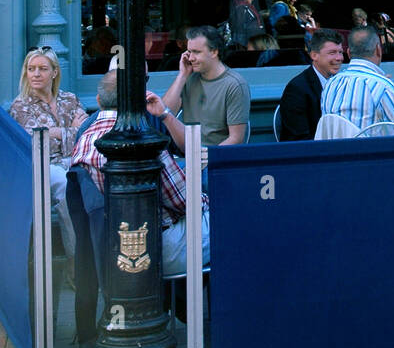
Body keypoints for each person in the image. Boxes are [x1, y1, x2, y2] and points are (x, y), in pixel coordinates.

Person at [71, 72, 210, 276]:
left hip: (111, 249)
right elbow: (185, 202)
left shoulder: (82, 142)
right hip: (156, 247)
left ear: (99, 101)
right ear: (137, 101)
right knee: (231, 219)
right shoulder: (145, 141)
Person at [10, 46, 86, 258]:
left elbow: (84, 136)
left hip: (75, 160)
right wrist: (69, 131)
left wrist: (57, 133)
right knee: (66, 186)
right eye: (31, 68)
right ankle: (76, 264)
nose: (35, 74)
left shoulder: (70, 100)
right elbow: (37, 144)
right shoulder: (21, 106)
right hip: (43, 166)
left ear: (54, 72)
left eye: (42, 68)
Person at [161, 25, 250, 150]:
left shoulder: (234, 84)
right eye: (189, 52)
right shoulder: (189, 78)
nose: (191, 58)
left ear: (214, 51)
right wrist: (182, 76)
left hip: (217, 158)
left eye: (196, 52)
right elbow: (164, 112)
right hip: (185, 154)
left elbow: (236, 139)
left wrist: (204, 159)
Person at [320, 26, 394, 132]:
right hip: (369, 148)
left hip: (336, 148)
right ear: (378, 50)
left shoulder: (330, 84)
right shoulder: (382, 86)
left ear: (348, 53)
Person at [279, 28, 345, 140]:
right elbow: (299, 138)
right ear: (314, 55)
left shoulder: (342, 83)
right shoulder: (297, 89)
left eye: (340, 52)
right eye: (332, 53)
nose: (339, 58)